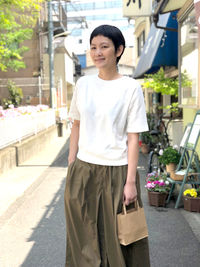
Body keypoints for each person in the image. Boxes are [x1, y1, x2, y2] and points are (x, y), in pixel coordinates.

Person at [64, 24, 150, 267]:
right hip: (83, 170)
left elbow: (133, 138)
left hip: (117, 172)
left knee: (119, 239)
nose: (97, 52)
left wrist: (130, 182)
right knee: (83, 239)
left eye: (104, 46)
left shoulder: (131, 87)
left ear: (119, 50)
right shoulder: (83, 85)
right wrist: (72, 165)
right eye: (93, 47)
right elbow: (77, 125)